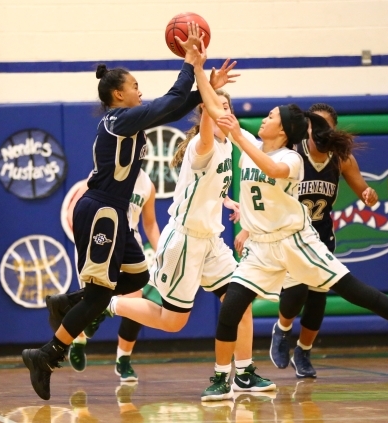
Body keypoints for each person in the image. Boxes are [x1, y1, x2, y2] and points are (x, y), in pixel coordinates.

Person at [22, 23, 235, 401]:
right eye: (134, 85)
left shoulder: (127, 118)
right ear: (118, 94)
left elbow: (175, 106)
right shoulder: (119, 121)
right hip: (102, 210)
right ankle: (46, 355)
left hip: (116, 214)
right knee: (98, 298)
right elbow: (171, 102)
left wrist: (208, 87)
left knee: (136, 279)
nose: (140, 90)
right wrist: (190, 64)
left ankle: (65, 303)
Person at [201, 103, 388, 401]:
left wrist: (238, 139)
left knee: (352, 290)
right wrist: (198, 69)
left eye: (270, 116)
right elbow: (217, 111)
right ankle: (224, 376)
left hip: (296, 241)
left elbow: (271, 168)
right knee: (232, 307)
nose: (264, 118)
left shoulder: (291, 158)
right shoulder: (252, 143)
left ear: (282, 130)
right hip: (261, 246)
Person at [108, 42, 276, 399]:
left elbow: (252, 165)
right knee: (173, 322)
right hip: (184, 239)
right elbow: (208, 115)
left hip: (212, 240)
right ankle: (107, 304)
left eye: (228, 107)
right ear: (207, 113)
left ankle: (242, 373)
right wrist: (201, 75)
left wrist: (229, 201)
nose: (224, 111)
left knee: (239, 301)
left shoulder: (236, 141)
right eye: (218, 107)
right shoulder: (204, 146)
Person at [233, 103, 378, 379]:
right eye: (314, 126)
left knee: (318, 299)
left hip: (320, 233)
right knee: (296, 291)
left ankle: (304, 350)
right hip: (289, 233)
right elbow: (268, 200)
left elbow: (362, 188)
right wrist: (247, 230)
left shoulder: (340, 157)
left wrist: (369, 194)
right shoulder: (291, 155)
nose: (318, 132)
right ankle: (283, 329)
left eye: (325, 127)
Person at [64, 169, 160, 382]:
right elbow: (75, 209)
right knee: (90, 300)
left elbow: (150, 223)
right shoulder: (105, 171)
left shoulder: (146, 185)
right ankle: (78, 340)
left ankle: (123, 360)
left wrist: (162, 252)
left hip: (128, 243)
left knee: (136, 304)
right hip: (101, 241)